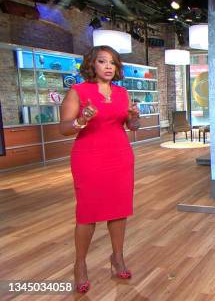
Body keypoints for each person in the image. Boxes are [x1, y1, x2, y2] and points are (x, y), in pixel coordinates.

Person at [59, 45, 140, 294]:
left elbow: (132, 126)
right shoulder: (78, 91)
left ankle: (117, 258)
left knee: (118, 211)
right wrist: (82, 119)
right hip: (89, 157)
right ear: (92, 65)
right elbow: (64, 128)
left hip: (120, 156)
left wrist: (135, 116)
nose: (108, 66)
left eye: (112, 63)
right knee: (88, 213)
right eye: (102, 61)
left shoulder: (122, 92)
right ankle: (80, 264)